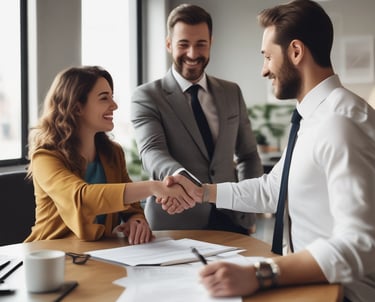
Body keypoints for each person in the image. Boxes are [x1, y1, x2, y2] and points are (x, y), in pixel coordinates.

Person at [162, 1, 375, 301]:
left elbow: (361, 244)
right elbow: (274, 188)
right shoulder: (312, 117)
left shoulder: (340, 123)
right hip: (309, 285)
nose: (264, 70)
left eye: (267, 56)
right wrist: (203, 193)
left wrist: (261, 273)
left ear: (296, 52)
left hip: (341, 294)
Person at [25, 66, 197, 244]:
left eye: (111, 97)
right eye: (104, 98)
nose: (114, 105)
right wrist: (153, 187)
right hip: (50, 256)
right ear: (77, 107)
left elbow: (132, 206)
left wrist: (135, 221)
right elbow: (82, 199)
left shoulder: (112, 153)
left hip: (99, 253)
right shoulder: (45, 157)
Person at [130, 4, 263, 235]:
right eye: (183, 44)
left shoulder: (231, 92)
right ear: (169, 44)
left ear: (211, 42)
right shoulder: (147, 96)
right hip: (176, 220)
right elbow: (152, 152)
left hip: (233, 219)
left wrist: (249, 207)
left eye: (200, 44)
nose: (192, 54)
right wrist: (183, 180)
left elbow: (248, 155)